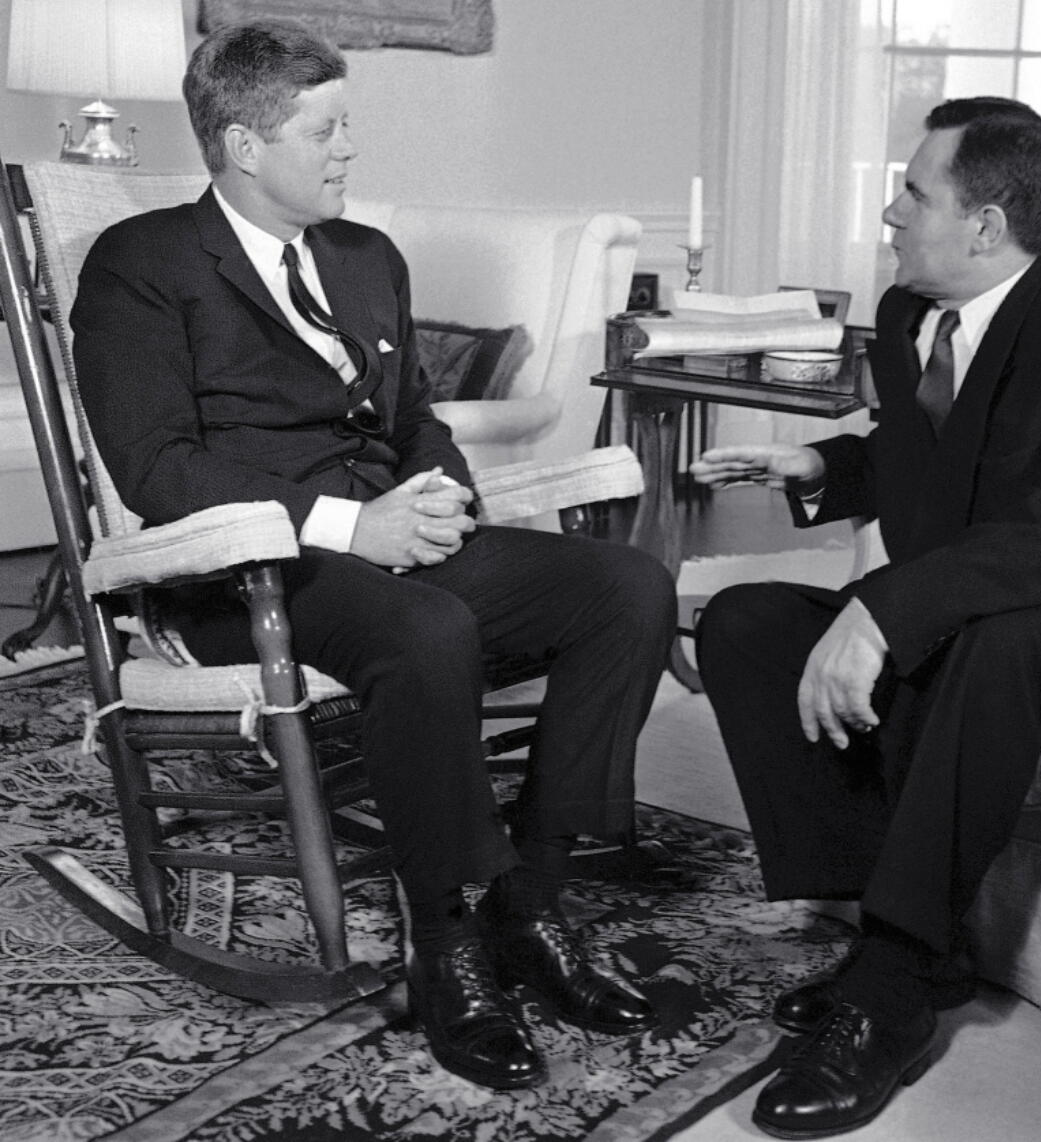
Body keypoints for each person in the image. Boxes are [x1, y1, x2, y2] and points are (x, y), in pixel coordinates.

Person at [71, 20, 677, 1092]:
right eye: (326, 129)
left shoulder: (363, 256)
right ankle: (445, 942)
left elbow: (412, 420)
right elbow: (157, 467)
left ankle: (530, 904)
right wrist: (355, 528)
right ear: (245, 146)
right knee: (426, 627)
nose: (349, 149)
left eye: (348, 124)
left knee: (626, 586)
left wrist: (440, 490)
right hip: (243, 570)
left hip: (392, 547)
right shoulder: (143, 264)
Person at [691, 96, 1041, 1139]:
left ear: (983, 224)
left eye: (911, 191)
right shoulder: (903, 313)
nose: (887, 212)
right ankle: (897, 934)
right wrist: (819, 465)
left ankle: (888, 985)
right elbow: (924, 454)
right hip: (966, 612)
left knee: (994, 645)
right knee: (744, 621)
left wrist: (880, 611)